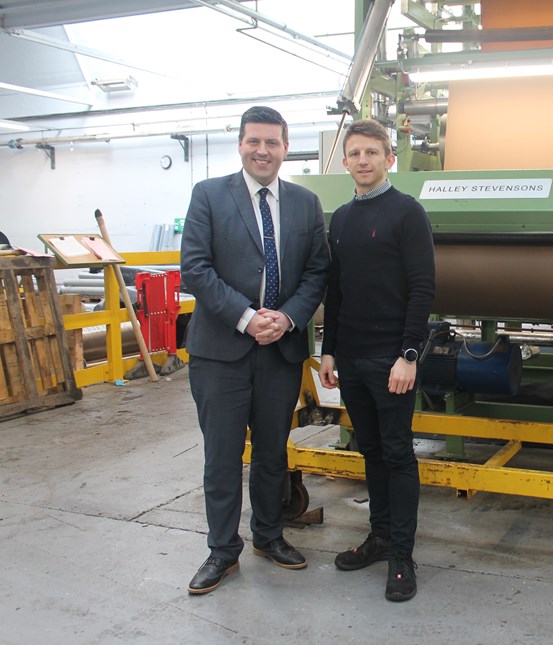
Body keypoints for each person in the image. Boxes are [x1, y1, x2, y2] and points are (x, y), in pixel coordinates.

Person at [181, 105, 330, 595]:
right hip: (221, 351)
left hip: (279, 350)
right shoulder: (208, 195)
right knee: (222, 455)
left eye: (272, 142)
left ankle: (269, 535)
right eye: (254, 141)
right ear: (240, 145)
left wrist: (286, 318)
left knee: (272, 452)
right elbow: (196, 269)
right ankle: (222, 551)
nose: (262, 150)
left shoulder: (306, 204)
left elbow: (316, 273)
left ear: (286, 148)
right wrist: (248, 318)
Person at [318, 119, 435, 602]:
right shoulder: (341, 219)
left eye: (372, 152)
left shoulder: (408, 212)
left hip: (392, 362)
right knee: (369, 452)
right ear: (345, 162)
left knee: (396, 454)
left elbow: (421, 287)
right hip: (352, 360)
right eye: (355, 153)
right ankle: (381, 536)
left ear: (389, 159)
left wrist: (409, 355)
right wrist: (328, 350)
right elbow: (337, 291)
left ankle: (403, 555)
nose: (363, 160)